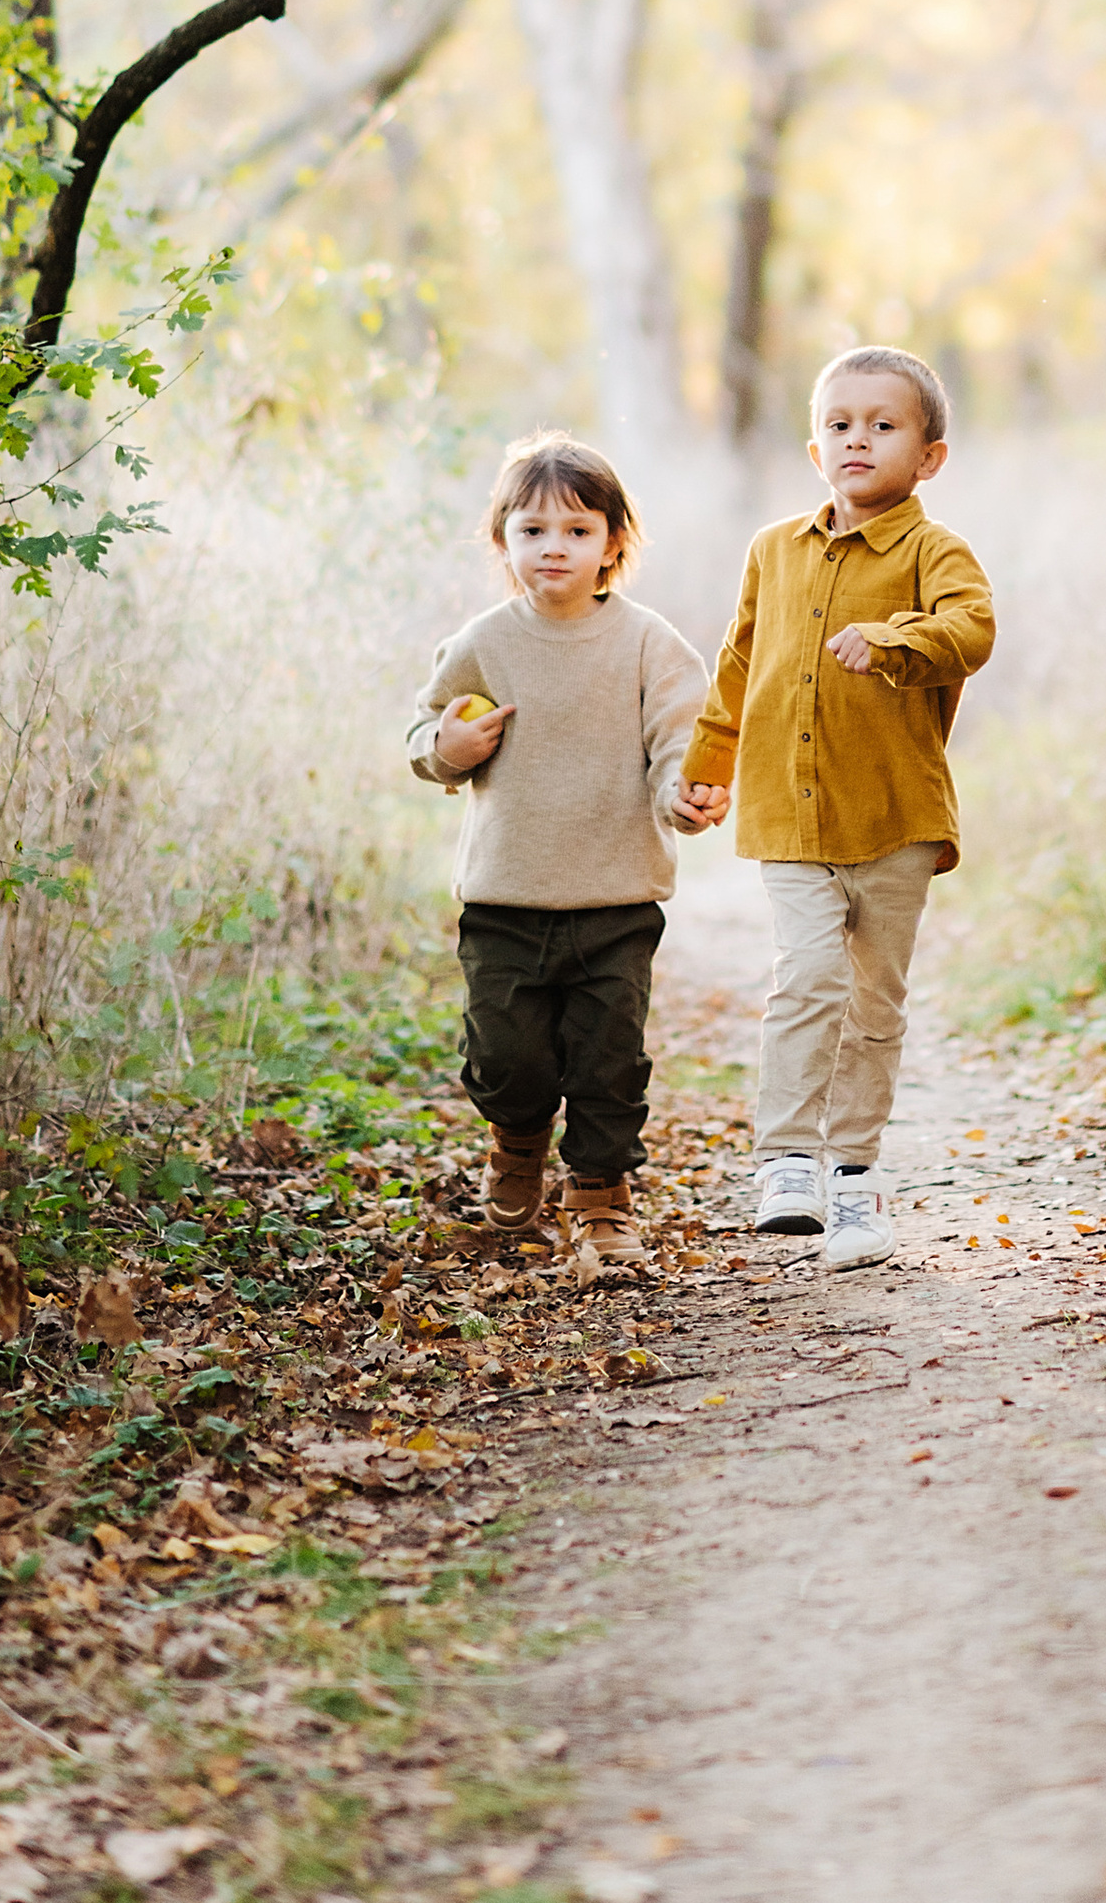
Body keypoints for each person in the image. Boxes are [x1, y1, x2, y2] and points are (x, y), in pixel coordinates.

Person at [675, 345, 995, 1271]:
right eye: (840, 425)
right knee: (807, 974)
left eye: (883, 425)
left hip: (896, 814)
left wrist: (893, 639)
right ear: (816, 448)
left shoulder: (937, 551)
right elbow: (739, 661)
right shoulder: (773, 549)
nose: (858, 439)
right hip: (792, 810)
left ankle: (854, 1173)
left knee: (873, 998)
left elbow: (971, 629)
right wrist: (710, 763)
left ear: (929, 455)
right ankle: (786, 1161)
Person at [406, 433, 708, 1276]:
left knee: (610, 1060)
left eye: (577, 530)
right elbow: (425, 733)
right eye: (533, 529)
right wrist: (448, 745)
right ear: (502, 538)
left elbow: (679, 739)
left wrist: (684, 791)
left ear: (615, 541)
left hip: (615, 899)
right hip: (506, 900)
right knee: (508, 1058)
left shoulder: (648, 642)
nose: (554, 547)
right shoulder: (483, 642)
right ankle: (517, 1140)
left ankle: (600, 1195)